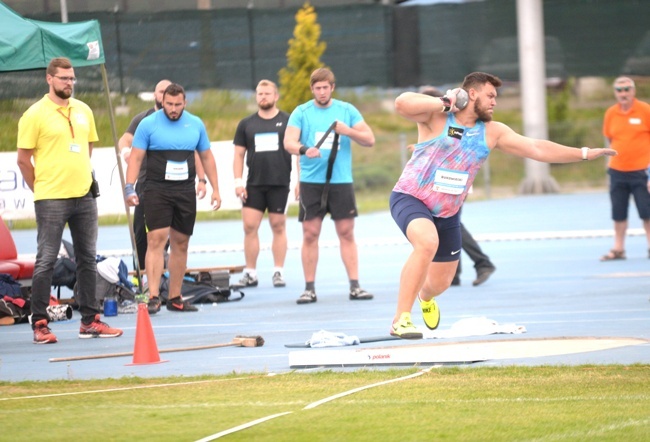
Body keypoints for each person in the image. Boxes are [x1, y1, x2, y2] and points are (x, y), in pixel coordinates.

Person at [389, 71, 617, 339]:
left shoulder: (493, 132)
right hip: (411, 197)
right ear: (471, 94)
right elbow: (402, 103)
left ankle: (425, 296)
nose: (494, 102)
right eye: (490, 95)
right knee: (427, 242)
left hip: (448, 212)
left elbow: (536, 148)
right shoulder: (438, 117)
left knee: (440, 283)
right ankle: (400, 320)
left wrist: (584, 153)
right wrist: (446, 101)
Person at [16, 57, 123, 343]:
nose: (69, 83)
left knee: (88, 259)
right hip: (51, 198)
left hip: (85, 197)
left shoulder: (83, 110)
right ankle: (40, 323)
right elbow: (23, 160)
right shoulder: (34, 114)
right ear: (49, 79)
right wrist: (41, 187)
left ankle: (90, 320)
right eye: (64, 78)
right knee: (46, 260)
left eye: (72, 78)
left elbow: (87, 148)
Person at [125, 83, 221, 313]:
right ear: (162, 102)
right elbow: (136, 158)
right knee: (156, 239)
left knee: (181, 242)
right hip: (156, 189)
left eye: (178, 105)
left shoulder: (195, 124)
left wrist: (215, 188)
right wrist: (129, 188)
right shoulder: (148, 124)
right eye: (169, 104)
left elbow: (206, 157)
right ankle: (154, 296)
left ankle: (175, 297)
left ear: (185, 103)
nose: (174, 109)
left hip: (184, 190)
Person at [284, 68, 376, 304]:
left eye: (326, 87)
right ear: (312, 89)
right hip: (311, 183)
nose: (322, 92)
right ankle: (309, 288)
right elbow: (288, 142)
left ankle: (355, 286)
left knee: (346, 232)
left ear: (332, 88)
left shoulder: (346, 110)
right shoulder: (301, 112)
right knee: (310, 233)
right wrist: (305, 150)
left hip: (341, 182)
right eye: (317, 88)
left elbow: (369, 140)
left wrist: (348, 131)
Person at [418, 87, 496, 287]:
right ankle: (455, 273)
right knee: (446, 224)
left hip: (453, 183)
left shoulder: (451, 121)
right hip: (440, 184)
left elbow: (458, 144)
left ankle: (482, 263)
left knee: (452, 224)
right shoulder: (433, 122)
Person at [233, 80, 292, 289]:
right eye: (260, 94)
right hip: (254, 185)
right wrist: (238, 182)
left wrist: (300, 182)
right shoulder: (246, 124)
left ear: (276, 96)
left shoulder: (288, 121)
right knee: (249, 227)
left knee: (278, 225)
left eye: (267, 93)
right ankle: (250, 273)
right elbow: (239, 155)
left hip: (279, 183)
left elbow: (298, 151)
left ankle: (278, 271)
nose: (263, 97)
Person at [600, 76, 650, 261]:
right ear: (615, 93)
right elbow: (609, 137)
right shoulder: (611, 113)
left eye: (627, 89)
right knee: (618, 212)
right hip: (618, 171)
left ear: (633, 91)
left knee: (647, 211)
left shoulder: (645, 110)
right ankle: (618, 248)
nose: (623, 93)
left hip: (642, 171)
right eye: (619, 90)